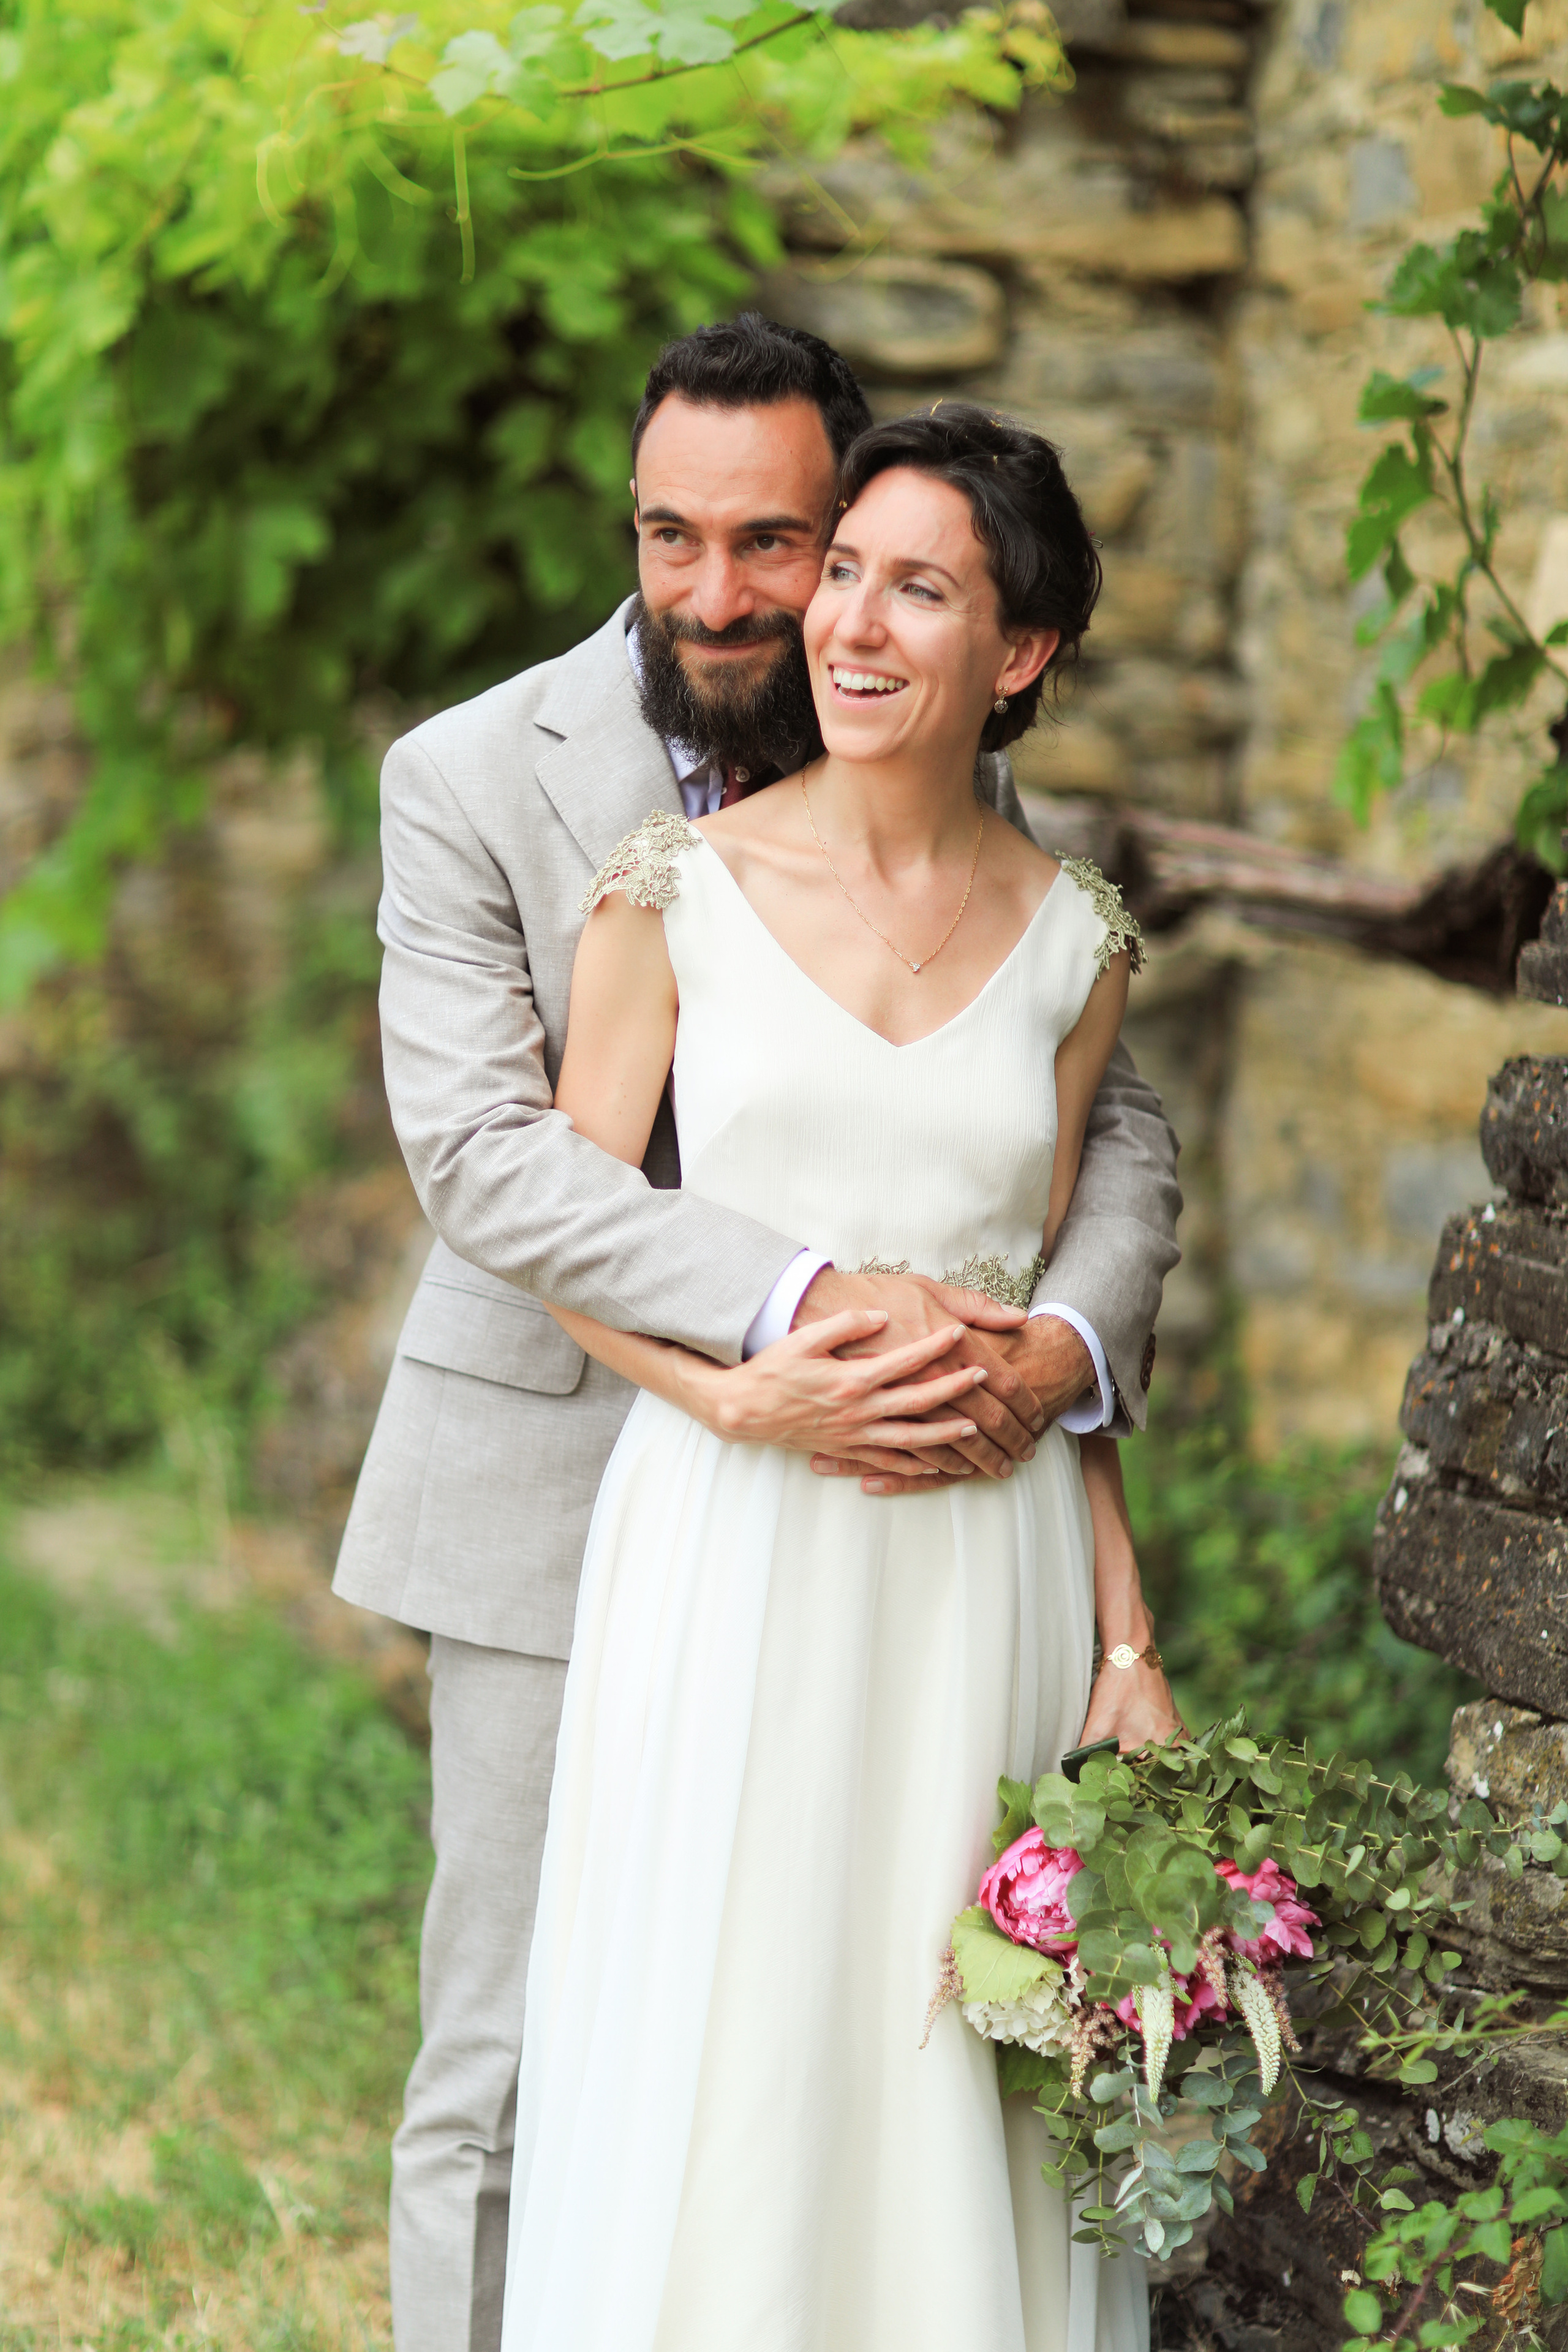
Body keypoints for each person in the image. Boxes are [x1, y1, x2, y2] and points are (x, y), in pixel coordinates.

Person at [333, 317, 1182, 2352]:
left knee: (920, 2055)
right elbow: (497, 1164)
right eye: (669, 537)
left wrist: (1066, 1381)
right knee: (530, 2062)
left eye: (779, 544)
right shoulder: (493, 787)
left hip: (956, 1538)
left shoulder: (1025, 873)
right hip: (619, 1471)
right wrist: (775, 1346)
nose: (730, 596)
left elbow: (1093, 1152)